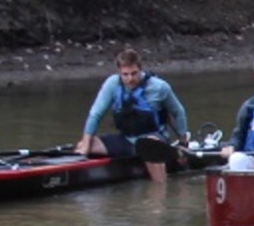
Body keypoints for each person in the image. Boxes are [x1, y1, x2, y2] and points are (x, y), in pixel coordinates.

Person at [75, 48, 192, 181]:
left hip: (154, 139)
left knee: (149, 146)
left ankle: (159, 193)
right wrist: (85, 147)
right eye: (125, 74)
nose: (130, 79)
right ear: (119, 72)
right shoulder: (112, 84)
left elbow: (178, 112)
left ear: (140, 69)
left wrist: (183, 144)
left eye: (134, 73)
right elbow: (95, 114)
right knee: (85, 144)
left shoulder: (160, 87)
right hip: (127, 139)